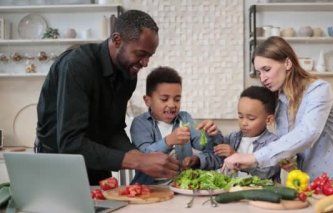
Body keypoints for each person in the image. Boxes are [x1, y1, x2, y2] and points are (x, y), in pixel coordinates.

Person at [35, 10, 179, 185]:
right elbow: (70, 143)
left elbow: (113, 130)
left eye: (149, 56)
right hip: (57, 164)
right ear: (117, 40)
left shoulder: (128, 74)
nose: (145, 63)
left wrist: (142, 157)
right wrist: (138, 161)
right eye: (141, 54)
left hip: (95, 159)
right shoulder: (77, 65)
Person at [223, 36, 333, 181]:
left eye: (267, 69)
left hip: (330, 181)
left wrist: (253, 158)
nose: (263, 78)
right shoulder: (280, 100)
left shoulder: (319, 90)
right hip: (302, 182)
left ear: (287, 63)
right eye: (259, 73)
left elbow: (307, 133)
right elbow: (290, 144)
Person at [130, 66, 223, 184]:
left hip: (181, 185)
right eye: (164, 99)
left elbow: (203, 145)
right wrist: (168, 141)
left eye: (177, 99)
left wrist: (210, 134)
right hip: (149, 188)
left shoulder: (184, 119)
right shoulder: (140, 123)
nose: (172, 104)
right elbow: (143, 157)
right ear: (148, 100)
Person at [214, 86, 280, 180]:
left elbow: (265, 174)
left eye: (251, 118)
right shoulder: (233, 138)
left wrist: (236, 157)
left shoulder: (274, 143)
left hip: (260, 193)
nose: (244, 123)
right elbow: (214, 150)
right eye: (240, 117)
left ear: (268, 120)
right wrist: (212, 134)